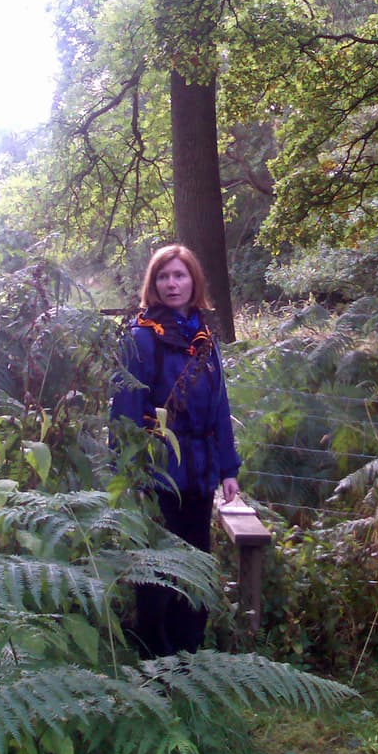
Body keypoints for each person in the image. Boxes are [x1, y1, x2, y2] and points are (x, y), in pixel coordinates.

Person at [110, 244, 241, 656]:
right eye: (164, 276)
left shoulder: (203, 335)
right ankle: (154, 654)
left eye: (180, 275)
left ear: (193, 282)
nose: (172, 284)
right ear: (153, 284)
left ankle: (189, 649)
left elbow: (219, 406)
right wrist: (130, 471)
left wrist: (228, 468)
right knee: (158, 565)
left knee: (196, 559)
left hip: (200, 473)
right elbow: (126, 411)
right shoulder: (142, 337)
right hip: (159, 471)